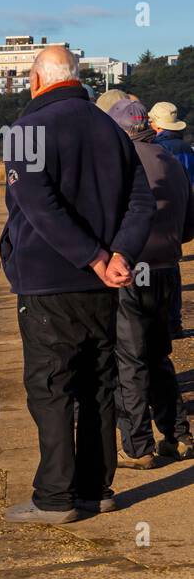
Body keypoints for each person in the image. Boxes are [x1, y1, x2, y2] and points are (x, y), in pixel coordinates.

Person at [0, 47, 155, 524]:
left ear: (38, 79)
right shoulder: (109, 126)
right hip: (103, 283)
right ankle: (94, 488)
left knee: (50, 386)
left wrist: (93, 257)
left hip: (50, 280)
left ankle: (54, 497)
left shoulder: (28, 130)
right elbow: (141, 201)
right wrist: (119, 256)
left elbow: (38, 206)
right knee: (98, 383)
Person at [106, 98, 194, 472]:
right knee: (159, 357)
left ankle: (138, 446)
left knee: (130, 359)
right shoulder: (172, 162)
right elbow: (190, 225)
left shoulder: (120, 166)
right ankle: (178, 436)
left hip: (131, 269)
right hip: (168, 271)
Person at [149, 101, 191, 336]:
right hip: (185, 204)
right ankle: (175, 321)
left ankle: (163, 320)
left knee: (156, 267)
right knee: (173, 264)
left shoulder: (158, 147)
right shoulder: (185, 147)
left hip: (163, 207)